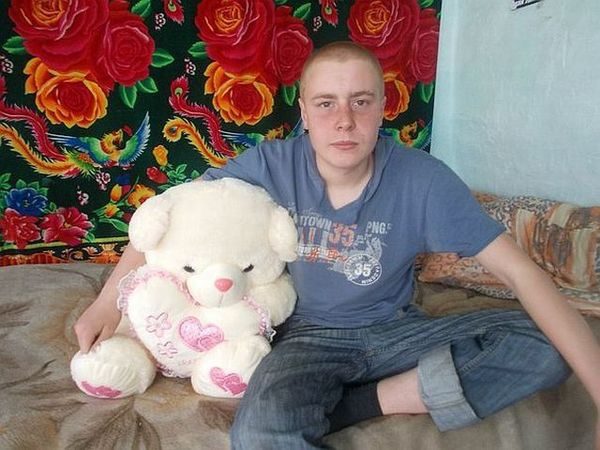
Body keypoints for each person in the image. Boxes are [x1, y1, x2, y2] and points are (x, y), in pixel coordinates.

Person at [74, 41, 600, 449]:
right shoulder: (270, 166)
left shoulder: (425, 179)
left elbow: (519, 273)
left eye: (360, 102)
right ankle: (322, 402)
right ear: (304, 112)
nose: (344, 120)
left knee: (548, 346)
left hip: (396, 331)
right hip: (306, 340)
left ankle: (361, 404)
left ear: (382, 108)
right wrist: (106, 304)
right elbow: (168, 214)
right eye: (326, 104)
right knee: (259, 436)